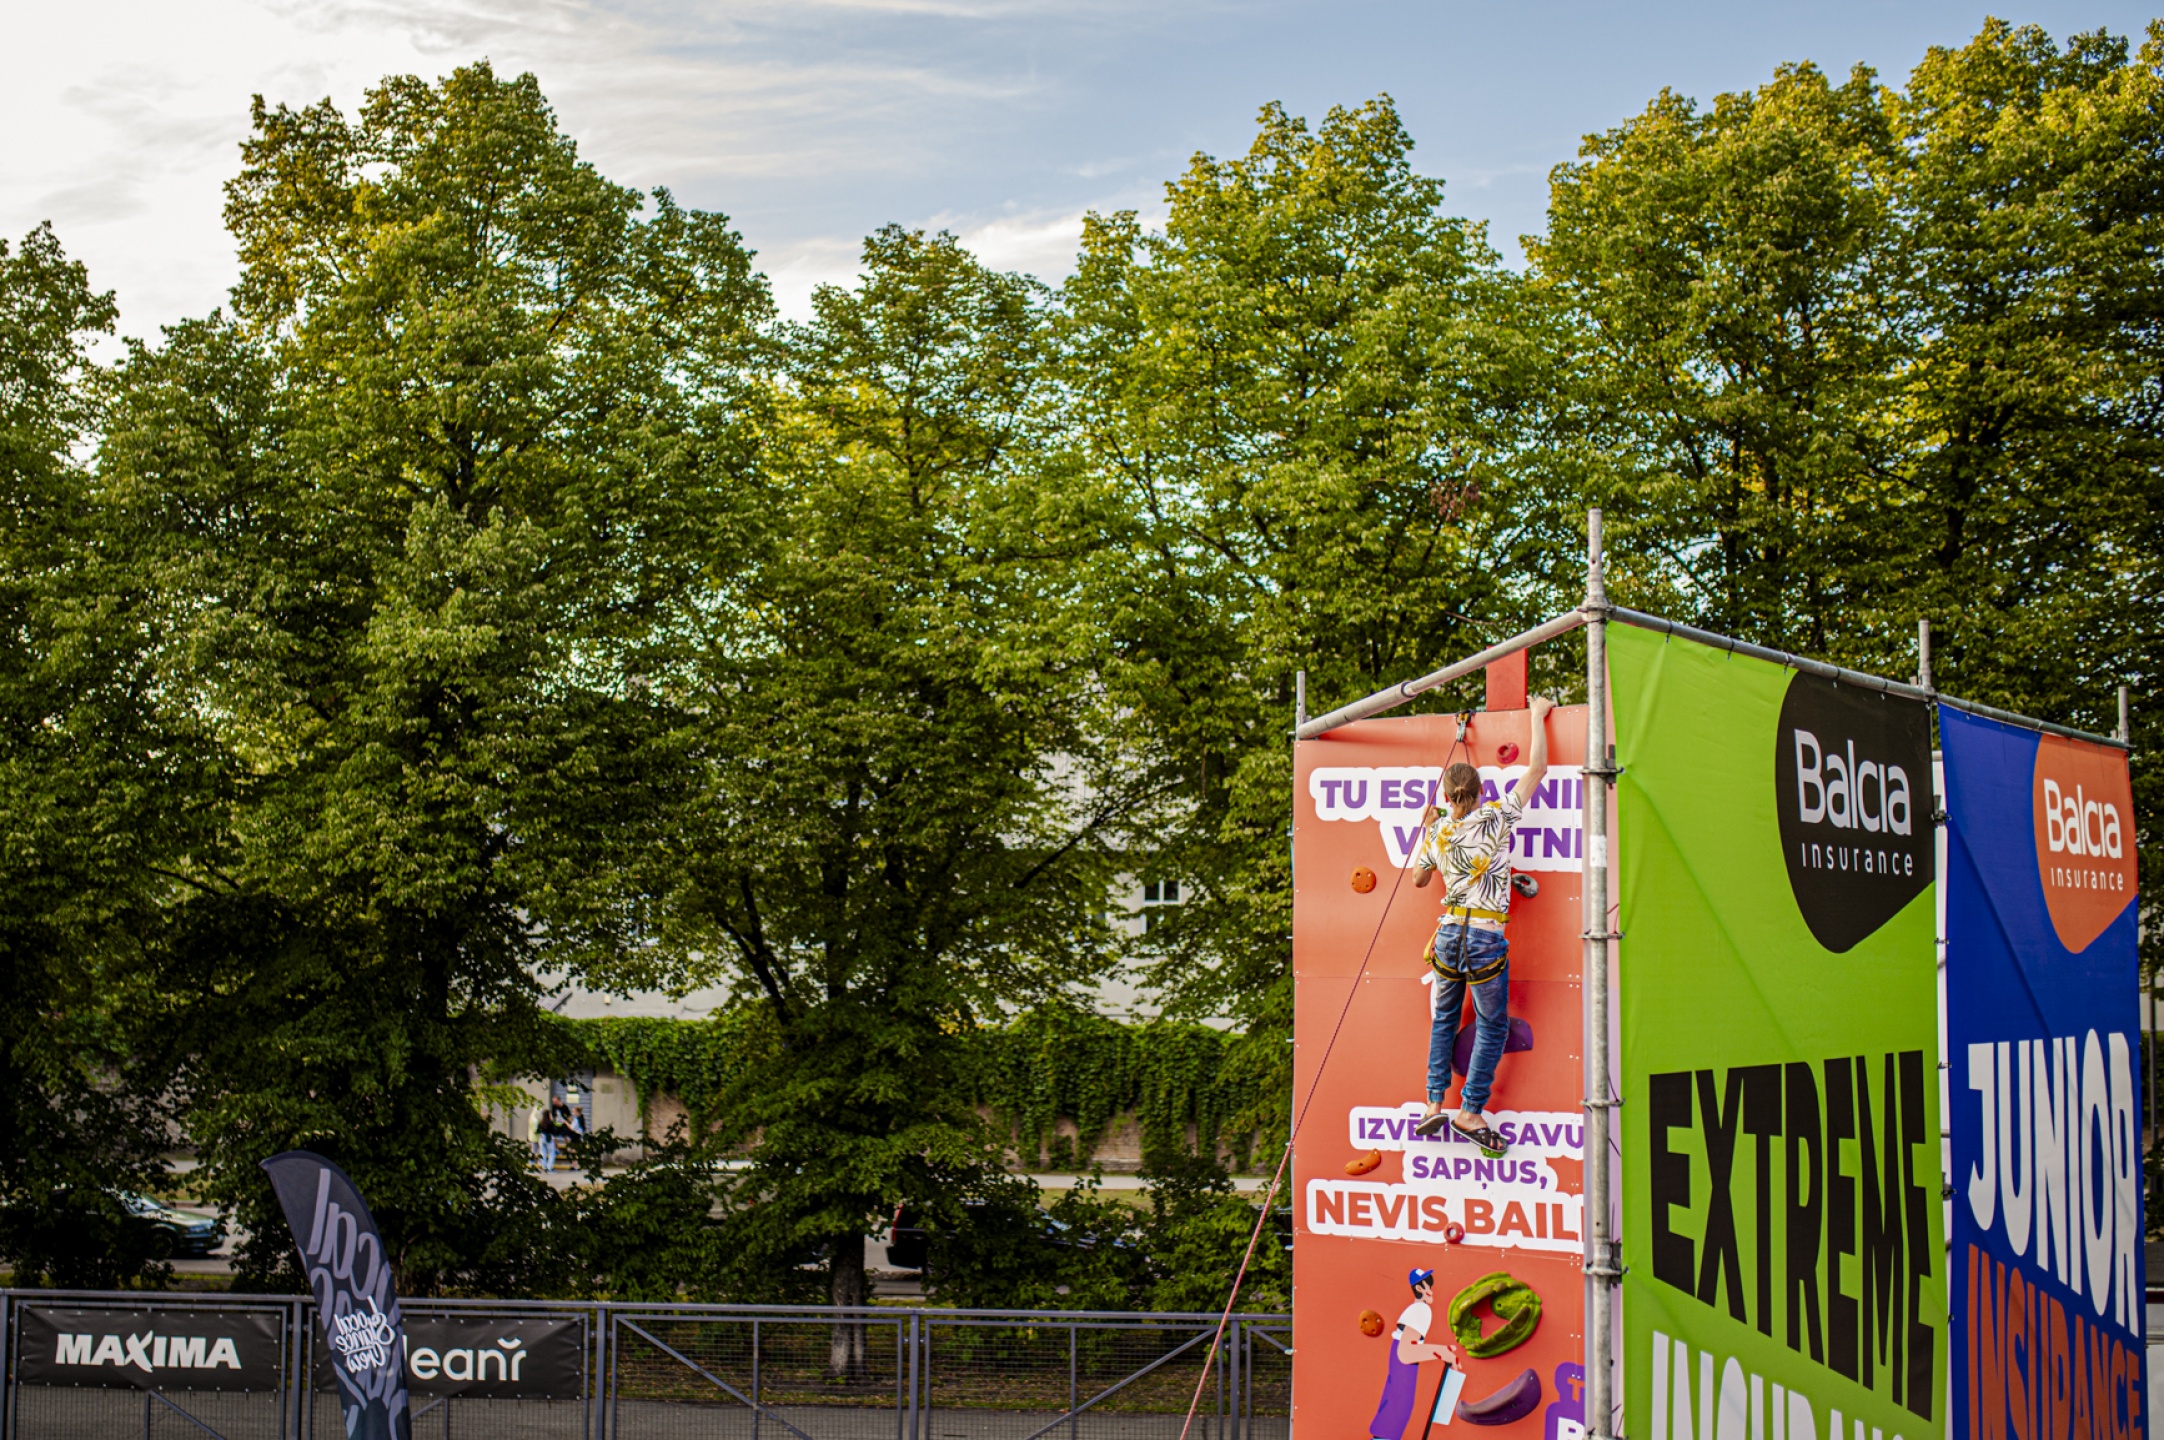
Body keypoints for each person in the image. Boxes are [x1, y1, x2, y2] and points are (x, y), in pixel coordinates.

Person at [1411, 695, 1553, 1154]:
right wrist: (1537, 715)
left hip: (1449, 934)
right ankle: (1469, 1111)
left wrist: (1428, 828)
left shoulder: (1438, 831)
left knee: (1444, 1020)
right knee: (1492, 1026)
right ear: (1480, 791)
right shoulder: (1495, 817)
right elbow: (1536, 770)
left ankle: (1433, 1104)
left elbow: (1418, 879)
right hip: (1484, 937)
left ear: (1447, 797)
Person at [1367, 1268, 1457, 1440]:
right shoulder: (1421, 1310)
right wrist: (1441, 1352)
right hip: (1403, 1374)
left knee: (1395, 1411)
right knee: (1397, 1411)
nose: (1431, 1290)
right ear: (1419, 1288)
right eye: (1427, 1285)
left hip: (1401, 1375)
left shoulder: (1418, 1310)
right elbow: (1406, 1353)